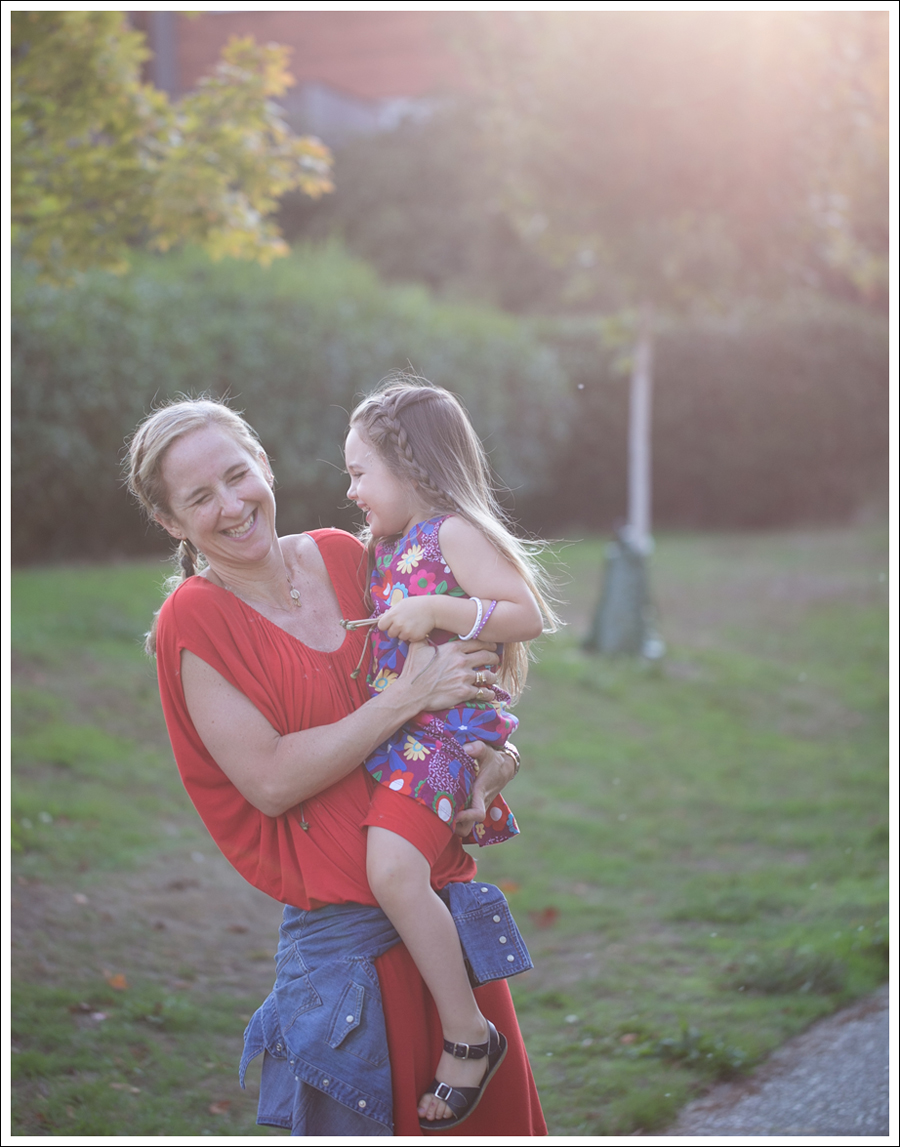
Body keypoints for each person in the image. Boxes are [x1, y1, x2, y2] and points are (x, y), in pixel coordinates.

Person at [125, 396, 547, 1136]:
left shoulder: (351, 554)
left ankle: (468, 1035)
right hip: (353, 959)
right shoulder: (193, 620)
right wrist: (406, 698)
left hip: (440, 921)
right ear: (170, 522)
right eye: (200, 497)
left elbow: (463, 663)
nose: (232, 505)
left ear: (264, 464)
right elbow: (271, 780)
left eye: (237, 474)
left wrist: (496, 756)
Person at [344, 378, 559, 1128]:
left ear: (411, 468)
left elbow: (528, 613)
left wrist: (436, 608)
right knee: (395, 870)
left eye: (360, 473)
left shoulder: (452, 534)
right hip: (409, 728)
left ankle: (469, 1033)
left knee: (392, 871)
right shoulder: (387, 545)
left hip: (444, 733)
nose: (352, 490)